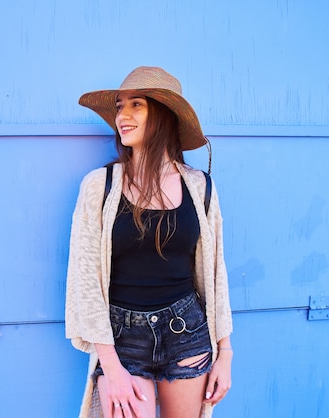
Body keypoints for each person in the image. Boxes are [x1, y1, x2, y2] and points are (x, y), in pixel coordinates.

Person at [65, 66, 233, 418]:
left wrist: (225, 352)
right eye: (119, 106)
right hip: (122, 338)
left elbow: (216, 272)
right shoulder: (100, 185)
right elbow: (85, 281)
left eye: (135, 105)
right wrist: (109, 366)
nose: (122, 116)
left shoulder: (199, 186)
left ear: (163, 116)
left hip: (186, 329)